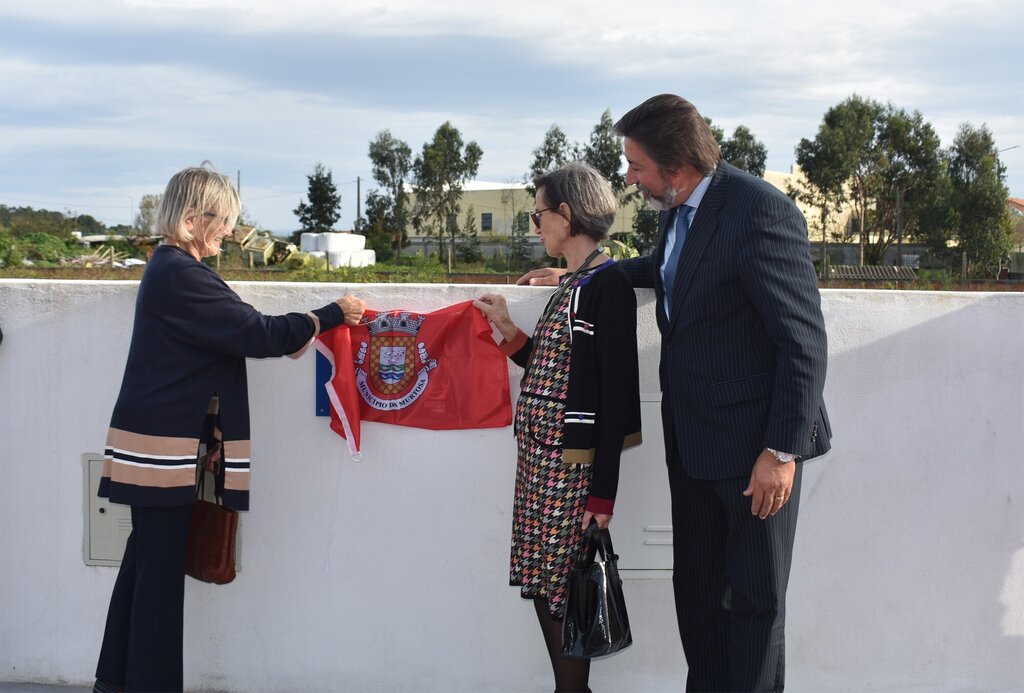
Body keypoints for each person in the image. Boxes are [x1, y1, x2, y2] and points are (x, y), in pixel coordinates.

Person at [519, 95, 831, 692]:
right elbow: (665, 269)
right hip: (692, 447)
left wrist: (781, 452)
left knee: (752, 607)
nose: (630, 180)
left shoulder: (759, 211)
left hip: (755, 454)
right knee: (698, 600)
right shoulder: (680, 209)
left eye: (636, 167)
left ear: (675, 163)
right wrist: (581, 274)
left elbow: (803, 341)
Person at [93, 164, 367, 693]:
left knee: (145, 571)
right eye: (223, 221)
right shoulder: (179, 272)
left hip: (156, 443)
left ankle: (117, 679)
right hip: (159, 449)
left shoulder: (170, 267)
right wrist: (332, 313)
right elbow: (254, 332)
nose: (230, 231)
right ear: (194, 220)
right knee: (157, 581)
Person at [475, 162, 641, 693]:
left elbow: (614, 397)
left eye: (539, 214)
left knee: (564, 590)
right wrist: (506, 328)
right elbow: (554, 371)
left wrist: (603, 496)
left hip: (572, 473)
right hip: (542, 466)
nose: (536, 225)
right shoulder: (578, 283)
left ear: (566, 215)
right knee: (549, 587)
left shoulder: (606, 286)